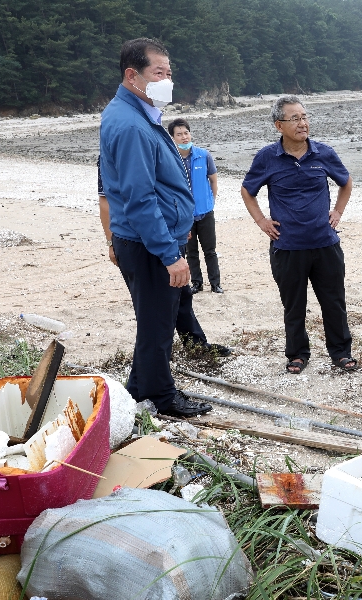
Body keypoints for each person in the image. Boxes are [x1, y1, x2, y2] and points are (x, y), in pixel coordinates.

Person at [99, 37, 211, 417]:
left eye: (169, 72)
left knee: (156, 320)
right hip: (148, 244)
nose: (167, 80)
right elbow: (139, 198)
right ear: (133, 75)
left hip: (153, 237)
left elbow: (159, 186)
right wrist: (169, 253)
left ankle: (139, 388)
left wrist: (181, 227)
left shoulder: (140, 112)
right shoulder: (130, 123)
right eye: (158, 73)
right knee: (157, 325)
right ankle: (162, 397)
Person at [240, 95, 356, 375]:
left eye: (304, 117)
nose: (303, 123)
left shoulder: (323, 153)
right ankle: (297, 354)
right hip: (287, 245)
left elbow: (346, 181)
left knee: (334, 301)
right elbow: (247, 190)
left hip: (325, 243)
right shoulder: (267, 157)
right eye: (295, 118)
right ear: (279, 125)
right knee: (293, 304)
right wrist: (261, 221)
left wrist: (338, 212)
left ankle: (340, 352)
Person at [97, 156, 230, 360]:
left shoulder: (152, 149)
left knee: (182, 293)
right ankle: (157, 363)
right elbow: (106, 202)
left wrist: (180, 225)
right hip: (140, 241)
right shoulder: (116, 155)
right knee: (155, 306)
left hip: (169, 235)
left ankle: (195, 344)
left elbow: (169, 193)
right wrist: (110, 243)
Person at [167, 118, 222, 294]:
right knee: (191, 252)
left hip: (205, 212)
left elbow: (213, 181)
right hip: (184, 215)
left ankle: (215, 283)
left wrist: (210, 201)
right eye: (179, 134)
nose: (184, 137)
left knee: (210, 250)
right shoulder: (171, 160)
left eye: (186, 133)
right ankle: (197, 283)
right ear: (172, 138)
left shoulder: (203, 155)